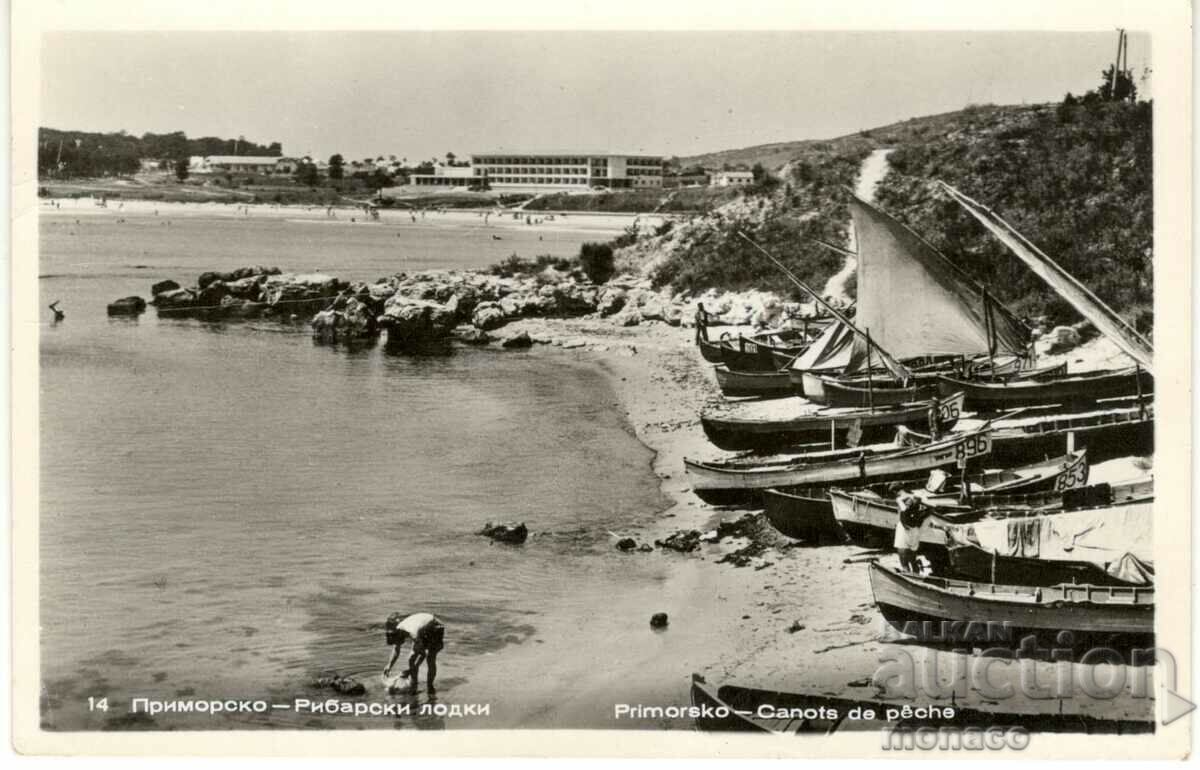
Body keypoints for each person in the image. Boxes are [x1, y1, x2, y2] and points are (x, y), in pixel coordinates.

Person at [383, 612, 444, 694]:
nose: (398, 643)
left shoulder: (413, 633)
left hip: (435, 626)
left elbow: (423, 655)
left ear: (400, 635)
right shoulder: (398, 630)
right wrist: (389, 665)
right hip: (423, 627)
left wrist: (409, 671)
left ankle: (430, 687)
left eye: (398, 641)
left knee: (430, 658)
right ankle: (414, 686)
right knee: (411, 658)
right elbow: (396, 648)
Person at [893, 491, 928, 573]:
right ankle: (911, 570)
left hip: (910, 529)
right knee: (908, 554)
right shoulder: (915, 507)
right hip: (910, 528)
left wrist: (908, 496)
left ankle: (910, 571)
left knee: (906, 555)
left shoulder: (908, 506)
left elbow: (898, 499)